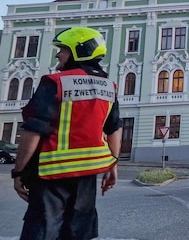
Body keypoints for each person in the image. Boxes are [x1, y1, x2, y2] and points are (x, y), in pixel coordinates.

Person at [12, 27, 122, 240]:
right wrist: (112, 166)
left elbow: (33, 131)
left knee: (43, 230)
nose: (58, 54)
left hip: (51, 174)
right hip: (87, 174)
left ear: (79, 51)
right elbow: (113, 128)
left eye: (63, 49)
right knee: (78, 232)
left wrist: (18, 172)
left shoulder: (54, 82)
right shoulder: (109, 87)